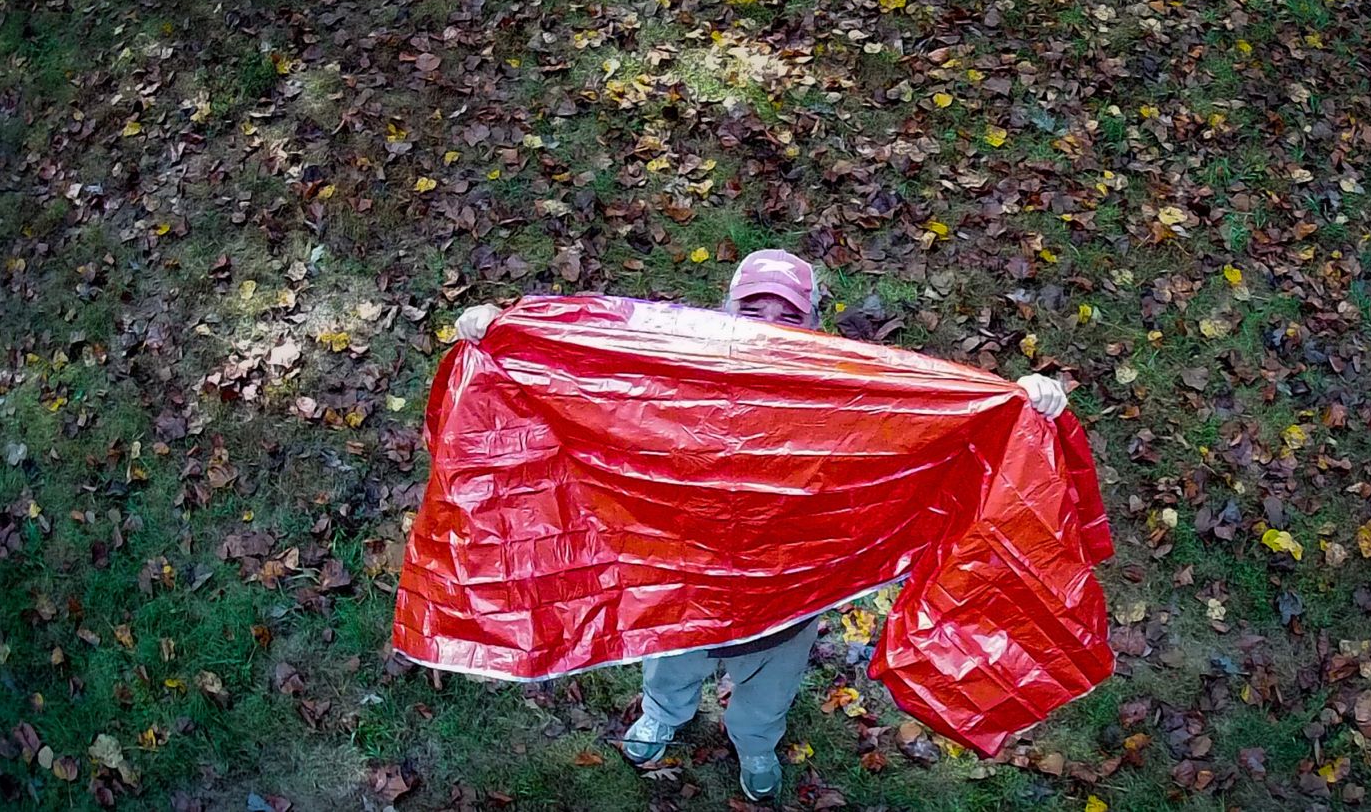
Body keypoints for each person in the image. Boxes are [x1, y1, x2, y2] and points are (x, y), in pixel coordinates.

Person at [451, 250, 1068, 801]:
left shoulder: (849, 391)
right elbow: (590, 378)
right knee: (670, 674)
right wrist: (501, 331)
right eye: (753, 305)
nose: (769, 320)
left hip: (788, 601)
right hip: (680, 591)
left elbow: (934, 414)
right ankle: (664, 716)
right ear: (725, 311)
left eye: (788, 312)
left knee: (765, 702)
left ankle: (754, 747)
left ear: (815, 325)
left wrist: (1020, 399)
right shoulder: (680, 372)